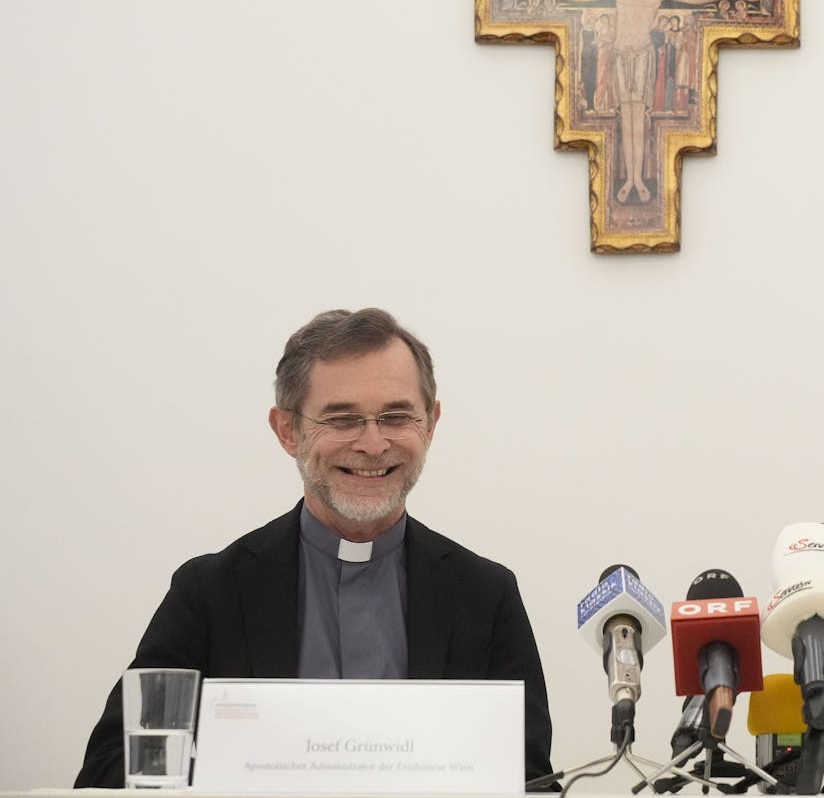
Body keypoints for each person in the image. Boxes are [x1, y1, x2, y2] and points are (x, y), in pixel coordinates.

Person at [73, 308, 554, 786]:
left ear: (430, 424)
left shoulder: (485, 594)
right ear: (287, 431)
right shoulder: (210, 591)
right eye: (342, 419)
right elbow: (109, 771)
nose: (372, 443)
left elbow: (532, 782)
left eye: (396, 416)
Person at [528, 0, 757, 204]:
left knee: (640, 118)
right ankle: (630, 179)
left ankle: (637, 178)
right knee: (626, 117)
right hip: (618, 55)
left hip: (643, 55)